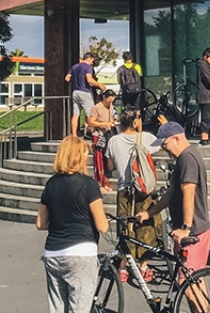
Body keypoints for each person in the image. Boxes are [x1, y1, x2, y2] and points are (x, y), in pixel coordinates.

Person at [36, 135, 109, 313]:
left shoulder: (51, 184)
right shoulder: (88, 185)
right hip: (81, 252)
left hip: (53, 252)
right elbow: (102, 225)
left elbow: (41, 223)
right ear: (78, 156)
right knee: (80, 308)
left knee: (58, 308)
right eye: (84, 154)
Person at [136, 122, 210, 277]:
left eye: (165, 144)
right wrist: (150, 213)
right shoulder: (186, 156)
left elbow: (188, 193)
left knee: (187, 283)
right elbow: (171, 193)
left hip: (193, 231)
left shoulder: (187, 158)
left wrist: (186, 228)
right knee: (194, 283)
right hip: (195, 228)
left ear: (176, 139)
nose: (164, 149)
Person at [105, 107, 161, 283]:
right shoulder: (146, 138)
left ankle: (123, 267)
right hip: (143, 191)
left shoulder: (113, 141)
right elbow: (160, 147)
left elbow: (110, 167)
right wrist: (140, 131)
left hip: (124, 191)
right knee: (144, 228)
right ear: (135, 121)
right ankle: (143, 266)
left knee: (125, 227)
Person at [65, 53, 104, 137]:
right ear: (89, 58)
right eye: (92, 60)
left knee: (75, 115)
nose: (93, 62)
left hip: (75, 92)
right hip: (85, 92)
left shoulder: (74, 66)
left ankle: (74, 135)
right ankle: (92, 133)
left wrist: (75, 80)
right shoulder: (87, 67)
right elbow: (89, 80)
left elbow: (67, 78)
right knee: (91, 114)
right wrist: (99, 85)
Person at [86, 88, 117, 192]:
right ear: (104, 98)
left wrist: (112, 122)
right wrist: (103, 124)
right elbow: (91, 121)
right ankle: (99, 183)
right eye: (109, 100)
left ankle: (106, 181)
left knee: (107, 158)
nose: (110, 103)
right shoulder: (96, 107)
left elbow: (112, 117)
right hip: (98, 134)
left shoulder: (111, 107)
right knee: (99, 159)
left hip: (108, 133)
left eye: (112, 101)